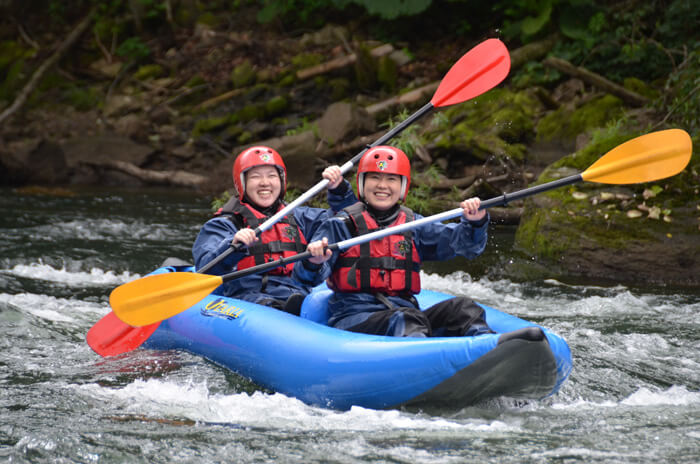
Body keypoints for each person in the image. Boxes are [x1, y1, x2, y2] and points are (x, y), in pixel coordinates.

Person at [292, 145, 494, 337]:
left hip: (404, 313)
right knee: (405, 319)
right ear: (362, 184)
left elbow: (466, 246)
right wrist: (314, 261)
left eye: (391, 179)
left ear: (402, 186)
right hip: (355, 317)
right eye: (374, 178)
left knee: (464, 309)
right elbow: (305, 278)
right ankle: (421, 361)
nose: (382, 185)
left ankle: (492, 352)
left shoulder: (413, 225)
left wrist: (475, 222)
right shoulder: (340, 224)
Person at [192, 145, 357, 315]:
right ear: (242, 184)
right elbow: (205, 268)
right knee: (265, 304)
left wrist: (339, 190)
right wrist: (232, 246)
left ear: (282, 181)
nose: (265, 183)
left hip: (298, 291)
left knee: (314, 301)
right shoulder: (225, 224)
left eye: (272, 176)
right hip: (250, 297)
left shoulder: (301, 218)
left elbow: (346, 220)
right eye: (255, 177)